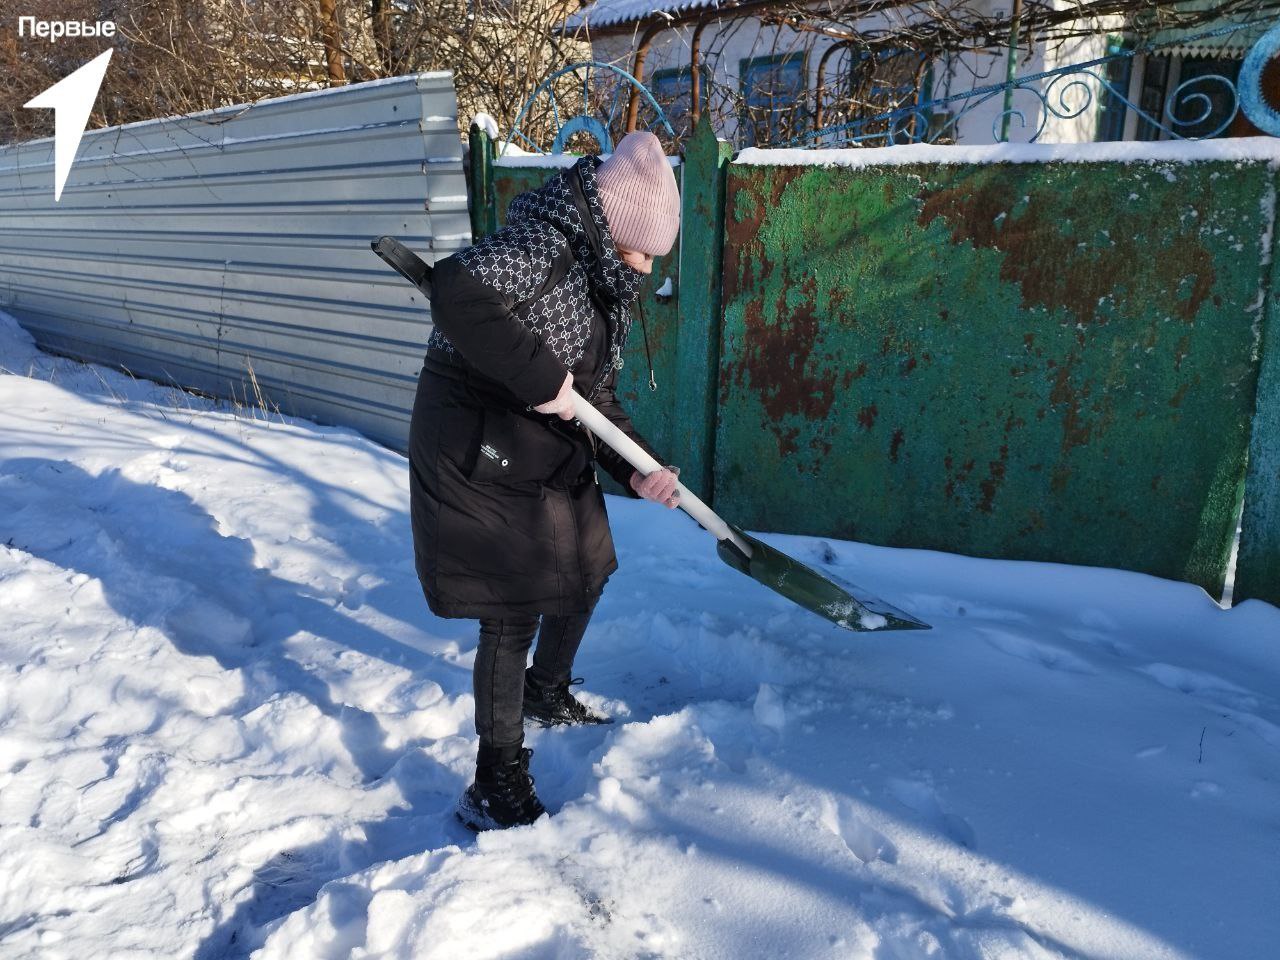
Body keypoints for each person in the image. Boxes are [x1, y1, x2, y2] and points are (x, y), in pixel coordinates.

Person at [408, 132, 683, 831]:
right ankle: (495, 779)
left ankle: (545, 689)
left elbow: (594, 400)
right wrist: (541, 379)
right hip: (478, 435)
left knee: (588, 563)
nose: (647, 269)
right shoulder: (544, 247)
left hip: (537, 429)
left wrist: (638, 465)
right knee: (513, 608)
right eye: (642, 251)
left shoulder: (602, 278)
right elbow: (456, 290)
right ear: (613, 226)